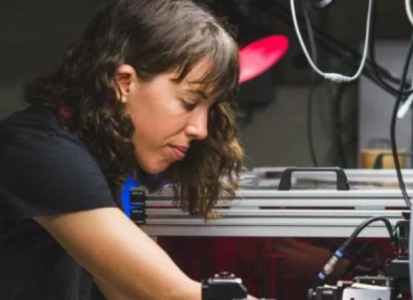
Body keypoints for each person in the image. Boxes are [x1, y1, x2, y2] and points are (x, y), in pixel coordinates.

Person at [0, 0, 244, 299]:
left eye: (209, 110)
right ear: (124, 83)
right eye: (189, 103)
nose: (201, 129)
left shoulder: (94, 154)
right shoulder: (41, 152)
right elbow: (171, 293)